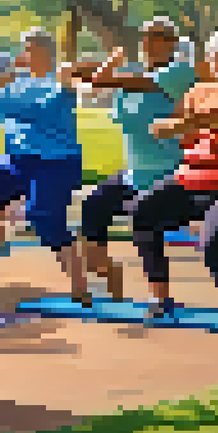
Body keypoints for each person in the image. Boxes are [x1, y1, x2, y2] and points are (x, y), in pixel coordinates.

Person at [0, 28, 89, 300]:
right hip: (16, 160)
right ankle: (0, 242)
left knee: (45, 218)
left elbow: (71, 83)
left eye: (29, 49)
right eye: (24, 49)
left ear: (43, 52)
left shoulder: (59, 81)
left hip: (55, 161)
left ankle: (80, 286)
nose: (23, 55)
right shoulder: (13, 84)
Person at [136, 27, 218, 319]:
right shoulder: (198, 91)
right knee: (143, 213)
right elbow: (163, 128)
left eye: (216, 55)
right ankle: (162, 300)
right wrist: (185, 125)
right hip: (193, 179)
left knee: (214, 247)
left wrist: (189, 122)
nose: (208, 61)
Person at [75, 18, 195, 302]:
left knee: (145, 222)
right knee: (92, 209)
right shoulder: (131, 78)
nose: (149, 42)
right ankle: (107, 273)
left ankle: (160, 297)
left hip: (172, 172)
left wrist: (109, 64)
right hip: (134, 172)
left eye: (158, 37)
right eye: (145, 36)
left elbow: (101, 79)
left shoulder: (178, 72)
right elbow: (97, 83)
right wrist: (106, 67)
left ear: (172, 43)